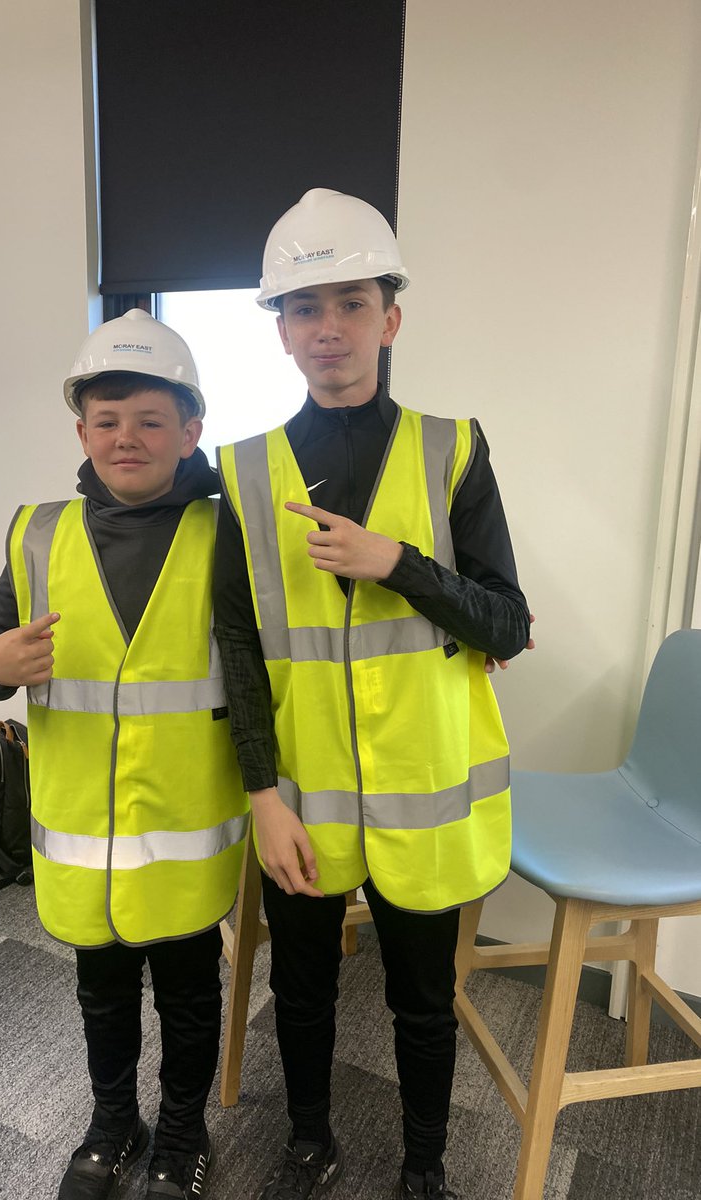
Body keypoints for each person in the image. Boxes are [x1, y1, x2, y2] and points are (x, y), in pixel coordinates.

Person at [214, 189, 531, 1200]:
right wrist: (261, 794)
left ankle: (426, 1162)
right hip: (300, 794)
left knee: (421, 1000)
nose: (330, 329)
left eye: (351, 302)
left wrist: (398, 560)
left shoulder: (455, 449)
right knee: (300, 989)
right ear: (281, 332)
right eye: (305, 309)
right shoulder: (245, 474)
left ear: (389, 317)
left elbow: (508, 625)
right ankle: (309, 1137)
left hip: (425, 793)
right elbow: (238, 652)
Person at [0, 309, 248, 1200]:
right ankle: (113, 1123)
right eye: (107, 419)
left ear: (190, 431)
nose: (127, 437)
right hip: (84, 830)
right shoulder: (38, 534)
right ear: (81, 429)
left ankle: (185, 1135)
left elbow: (265, 667)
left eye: (151, 420)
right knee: (103, 991)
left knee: (192, 995)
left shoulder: (225, 531)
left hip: (187, 830)